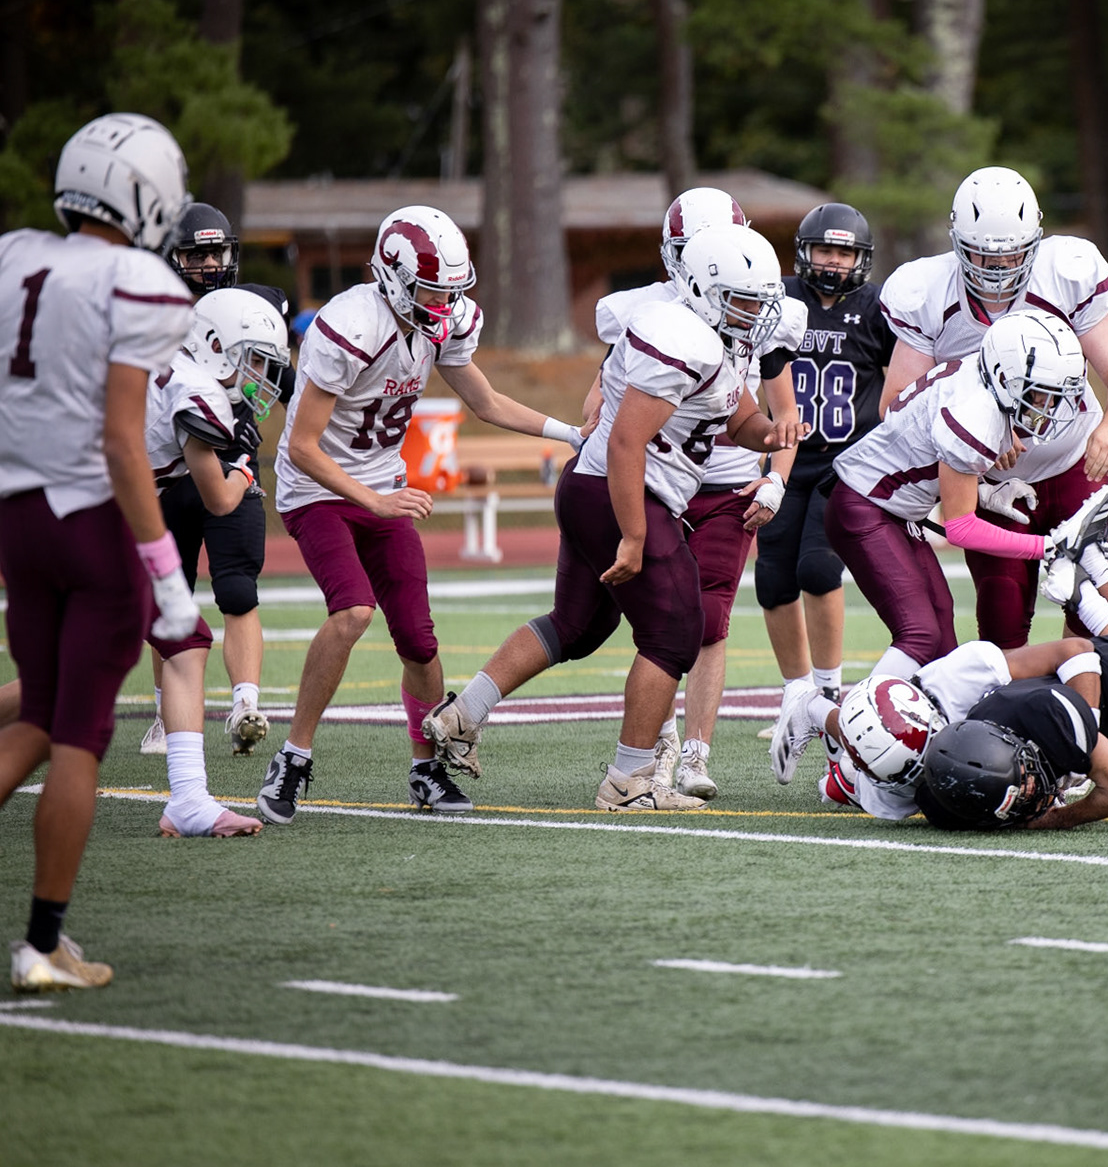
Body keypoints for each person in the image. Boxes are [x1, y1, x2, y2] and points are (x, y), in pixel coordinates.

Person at [422, 224, 805, 811]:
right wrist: (633, 534)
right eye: (742, 300)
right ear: (702, 291)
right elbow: (627, 441)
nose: (755, 314)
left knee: (576, 626)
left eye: (758, 301)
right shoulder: (682, 337)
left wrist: (772, 435)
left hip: (600, 489)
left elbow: (739, 420)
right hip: (619, 491)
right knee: (676, 632)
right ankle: (629, 781)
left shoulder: (715, 338)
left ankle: (462, 715)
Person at [255, 205, 588, 824]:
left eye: (449, 291)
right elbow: (300, 447)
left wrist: (569, 432)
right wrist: (376, 500)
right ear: (392, 276)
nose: (443, 303)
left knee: (417, 637)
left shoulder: (442, 321)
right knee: (353, 611)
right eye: (431, 290)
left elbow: (485, 400)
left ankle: (425, 768)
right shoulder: (349, 325)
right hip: (317, 489)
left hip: (383, 486)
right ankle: (293, 756)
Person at [0, 113, 204, 991]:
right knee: (80, 733)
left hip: (17, 515)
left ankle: (47, 941)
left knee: (40, 716)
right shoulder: (137, 281)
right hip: (89, 521)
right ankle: (42, 944)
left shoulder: (13, 257)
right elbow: (125, 443)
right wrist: (167, 576)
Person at [807, 312, 1108, 751]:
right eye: (1041, 394)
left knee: (943, 645)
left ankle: (903, 739)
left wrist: (987, 493)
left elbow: (927, 456)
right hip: (865, 508)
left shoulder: (981, 380)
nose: (1049, 408)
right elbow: (960, 528)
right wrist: (1046, 546)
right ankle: (850, 738)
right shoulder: (976, 413)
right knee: (920, 635)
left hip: (892, 508)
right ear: (1006, 377)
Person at [776, 567, 1108, 831]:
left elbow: (1075, 654)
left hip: (1085, 684)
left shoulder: (957, 681)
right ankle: (1089, 582)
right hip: (1048, 722)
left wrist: (1081, 741)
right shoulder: (890, 794)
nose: (932, 768)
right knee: (845, 779)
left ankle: (1087, 588)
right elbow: (855, 728)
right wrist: (814, 709)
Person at [878, 167, 1108, 649]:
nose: (1000, 268)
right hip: (993, 486)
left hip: (1074, 463)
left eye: (1013, 254)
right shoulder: (929, 293)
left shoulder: (1065, 275)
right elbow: (898, 408)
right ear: (958, 242)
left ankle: (1084, 695)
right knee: (1002, 618)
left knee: (1091, 607)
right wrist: (977, 437)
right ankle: (1014, 702)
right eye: (985, 254)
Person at [134, 205, 292, 758]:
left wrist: (249, 440)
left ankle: (245, 703)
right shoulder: (152, 317)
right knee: (168, 595)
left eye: (215, 252)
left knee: (237, 588)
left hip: (219, 454)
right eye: (195, 253)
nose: (207, 264)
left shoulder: (255, 306)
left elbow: (281, 379)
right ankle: (166, 713)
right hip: (170, 470)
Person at [658, 283, 805, 801]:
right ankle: (661, 738)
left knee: (711, 619)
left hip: (730, 488)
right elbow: (602, 398)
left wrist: (776, 481)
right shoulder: (657, 317)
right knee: (656, 615)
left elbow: (786, 420)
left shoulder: (762, 330)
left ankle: (695, 753)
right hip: (663, 480)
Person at [140, 289, 277, 838]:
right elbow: (219, 500)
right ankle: (189, 801)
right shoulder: (199, 390)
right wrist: (242, 465)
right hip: (92, 519)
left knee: (182, 640)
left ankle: (189, 800)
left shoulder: (161, 358)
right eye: (253, 359)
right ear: (217, 345)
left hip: (77, 505)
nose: (260, 376)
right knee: (68, 675)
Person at [755, 203, 896, 731]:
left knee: (817, 568)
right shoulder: (780, 299)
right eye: (824, 250)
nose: (834, 261)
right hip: (785, 456)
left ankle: (830, 694)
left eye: (843, 252)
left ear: (860, 259)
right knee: (772, 579)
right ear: (804, 251)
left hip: (847, 462)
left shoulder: (877, 308)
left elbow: (907, 375)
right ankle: (797, 699)